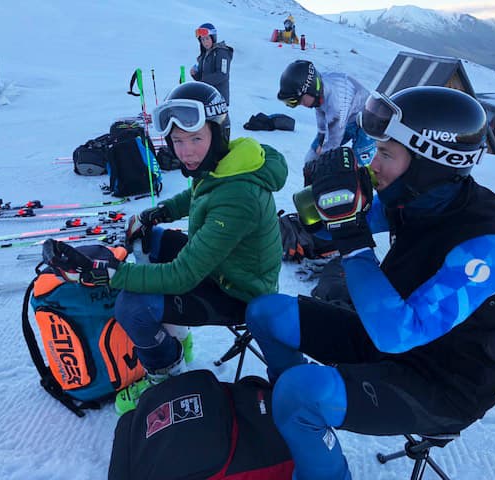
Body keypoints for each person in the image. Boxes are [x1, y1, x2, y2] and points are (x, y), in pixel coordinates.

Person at [246, 86, 495, 480]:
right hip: (382, 331)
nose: (372, 163)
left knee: (299, 392)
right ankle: (295, 425)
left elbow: (398, 333)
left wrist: (353, 241)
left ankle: (302, 422)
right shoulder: (415, 196)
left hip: (443, 381)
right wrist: (323, 202)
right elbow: (330, 226)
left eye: (385, 153)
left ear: (430, 164)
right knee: (266, 312)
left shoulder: (489, 247)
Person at [44, 81, 287, 414]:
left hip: (241, 292)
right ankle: (175, 341)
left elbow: (183, 275)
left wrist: (112, 275)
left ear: (219, 133)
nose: (185, 151)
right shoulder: (228, 162)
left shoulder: (239, 196)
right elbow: (199, 194)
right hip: (224, 267)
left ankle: (166, 374)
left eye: (195, 139)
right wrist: (157, 213)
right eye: (177, 141)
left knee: (131, 304)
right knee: (151, 238)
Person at [277, 60, 376, 185]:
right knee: (311, 158)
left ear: (309, 90)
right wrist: (320, 141)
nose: (299, 105)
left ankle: (359, 194)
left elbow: (334, 142)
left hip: (368, 122)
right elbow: (321, 115)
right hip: (348, 118)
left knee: (359, 167)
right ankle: (313, 189)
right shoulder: (318, 89)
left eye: (298, 101)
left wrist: (324, 154)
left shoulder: (336, 103)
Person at [190, 23, 234, 105]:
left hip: (218, 99)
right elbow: (201, 78)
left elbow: (222, 74)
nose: (205, 42)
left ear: (213, 38)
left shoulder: (222, 52)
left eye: (207, 39)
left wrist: (203, 82)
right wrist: (195, 74)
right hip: (206, 96)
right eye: (202, 40)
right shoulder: (204, 55)